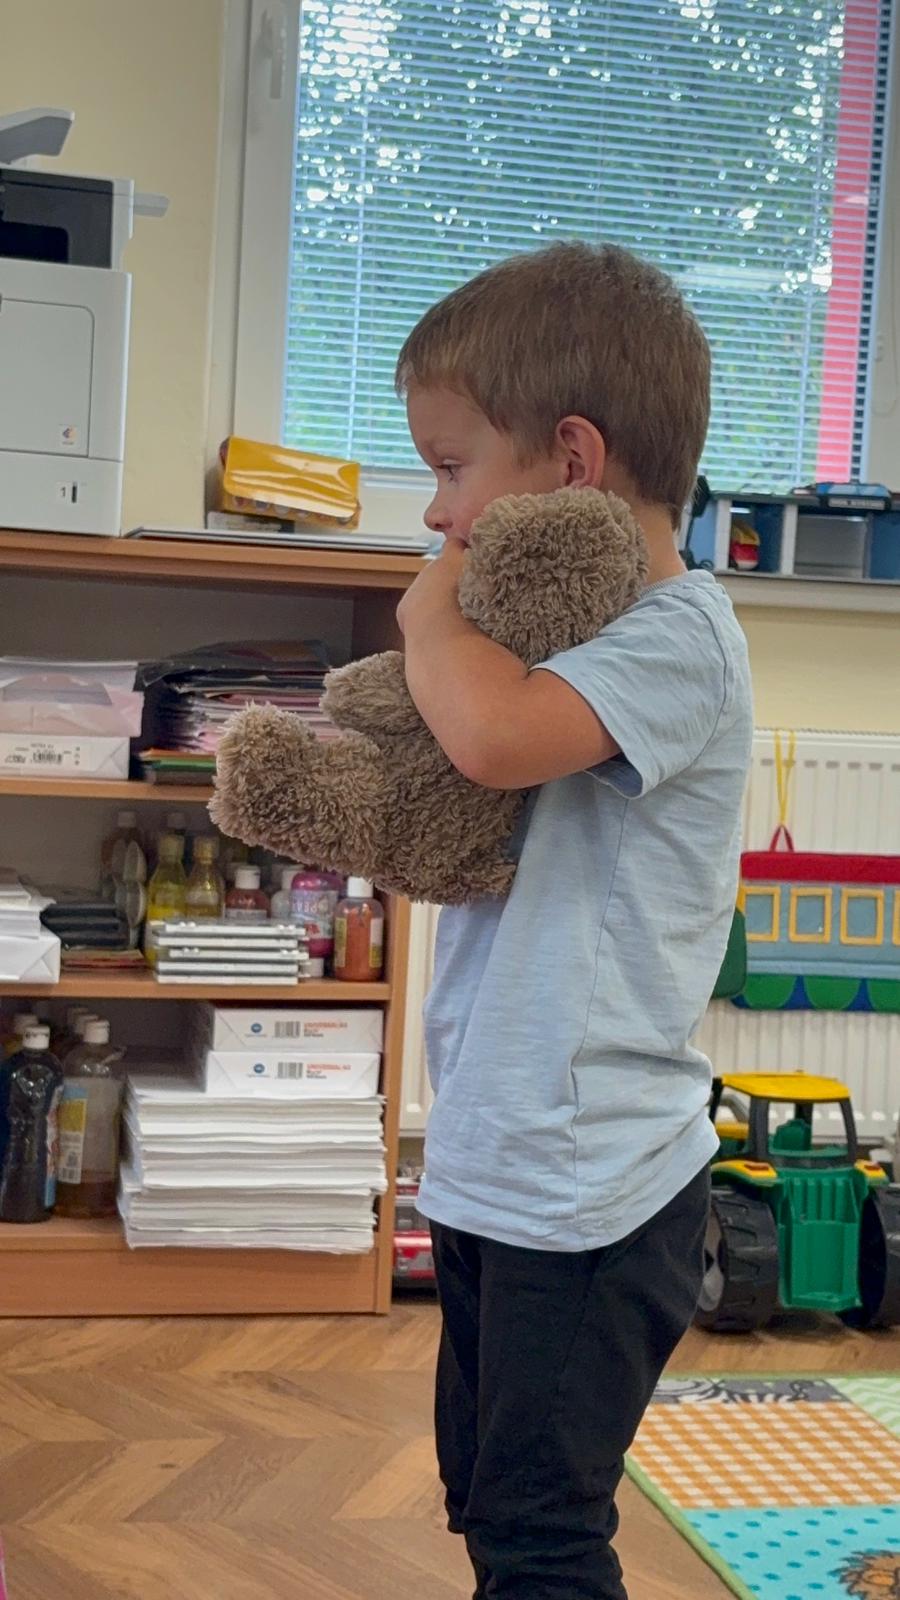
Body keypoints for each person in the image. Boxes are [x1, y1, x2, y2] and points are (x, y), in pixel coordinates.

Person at [394, 241, 752, 1600]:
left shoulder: (681, 635)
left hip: (593, 1189)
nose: (439, 513)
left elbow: (489, 739)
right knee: (489, 1506)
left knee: (542, 1531)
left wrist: (428, 615)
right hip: (501, 1161)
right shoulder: (569, 637)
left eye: (451, 469)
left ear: (573, 461)